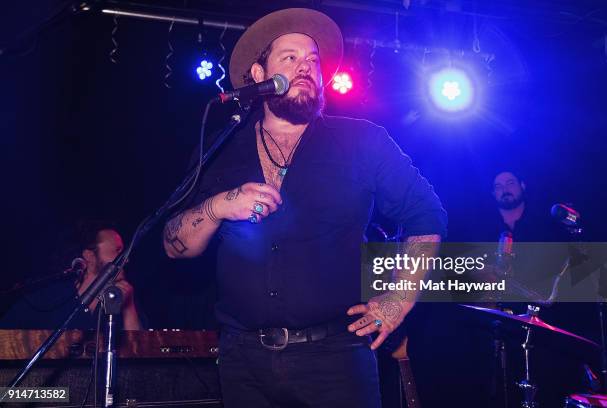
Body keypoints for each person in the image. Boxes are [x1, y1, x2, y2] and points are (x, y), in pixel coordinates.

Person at [163, 8, 447, 408]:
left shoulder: (362, 141)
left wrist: (398, 299)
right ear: (259, 76)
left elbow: (427, 216)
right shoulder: (221, 147)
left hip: (335, 361)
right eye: (290, 58)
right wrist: (217, 207)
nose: (305, 68)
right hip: (242, 360)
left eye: (312, 60)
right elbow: (175, 244)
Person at [0, 220, 142, 330]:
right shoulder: (50, 300)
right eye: (117, 251)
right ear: (90, 256)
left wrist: (129, 308)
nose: (126, 259)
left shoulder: (125, 299)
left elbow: (141, 358)